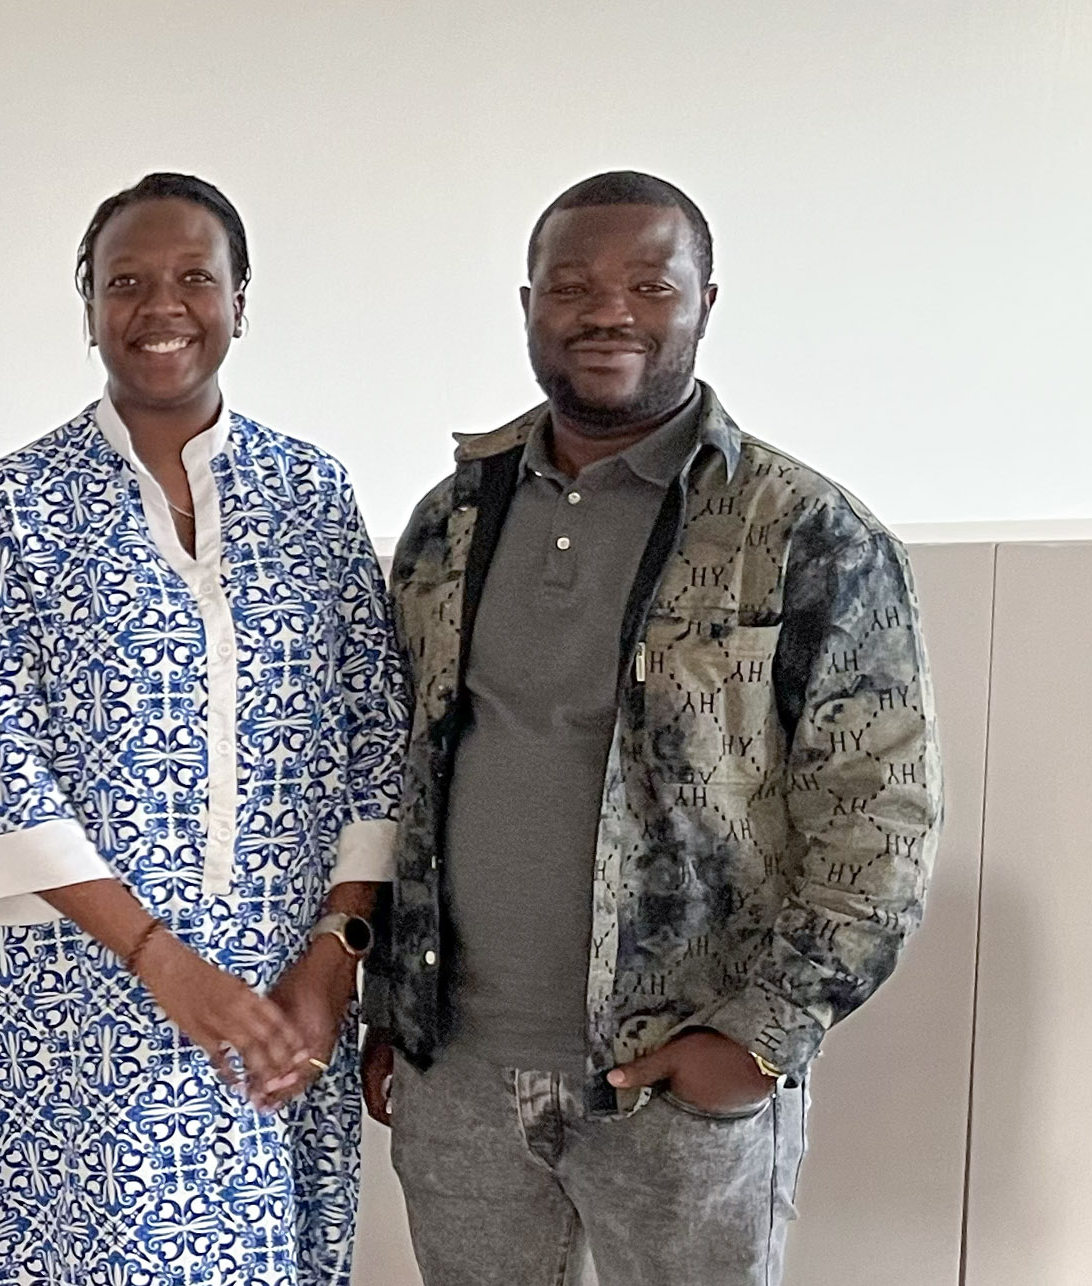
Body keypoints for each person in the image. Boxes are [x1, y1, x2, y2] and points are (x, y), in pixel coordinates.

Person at [363, 171, 941, 1285]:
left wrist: (759, 1036)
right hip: (464, 1077)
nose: (606, 310)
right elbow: (408, 778)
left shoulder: (805, 531)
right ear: (527, 302)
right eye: (571, 284)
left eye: (647, 283)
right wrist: (397, 1002)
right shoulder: (451, 519)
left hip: (678, 1078)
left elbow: (882, 823)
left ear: (705, 301)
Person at [0, 173, 408, 1285]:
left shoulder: (313, 493)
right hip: (76, 988)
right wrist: (164, 962)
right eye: (126, 281)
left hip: (285, 987)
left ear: (242, 298)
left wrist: (332, 960)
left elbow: (381, 734)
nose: (161, 305)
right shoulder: (17, 501)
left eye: (195, 277)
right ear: (86, 300)